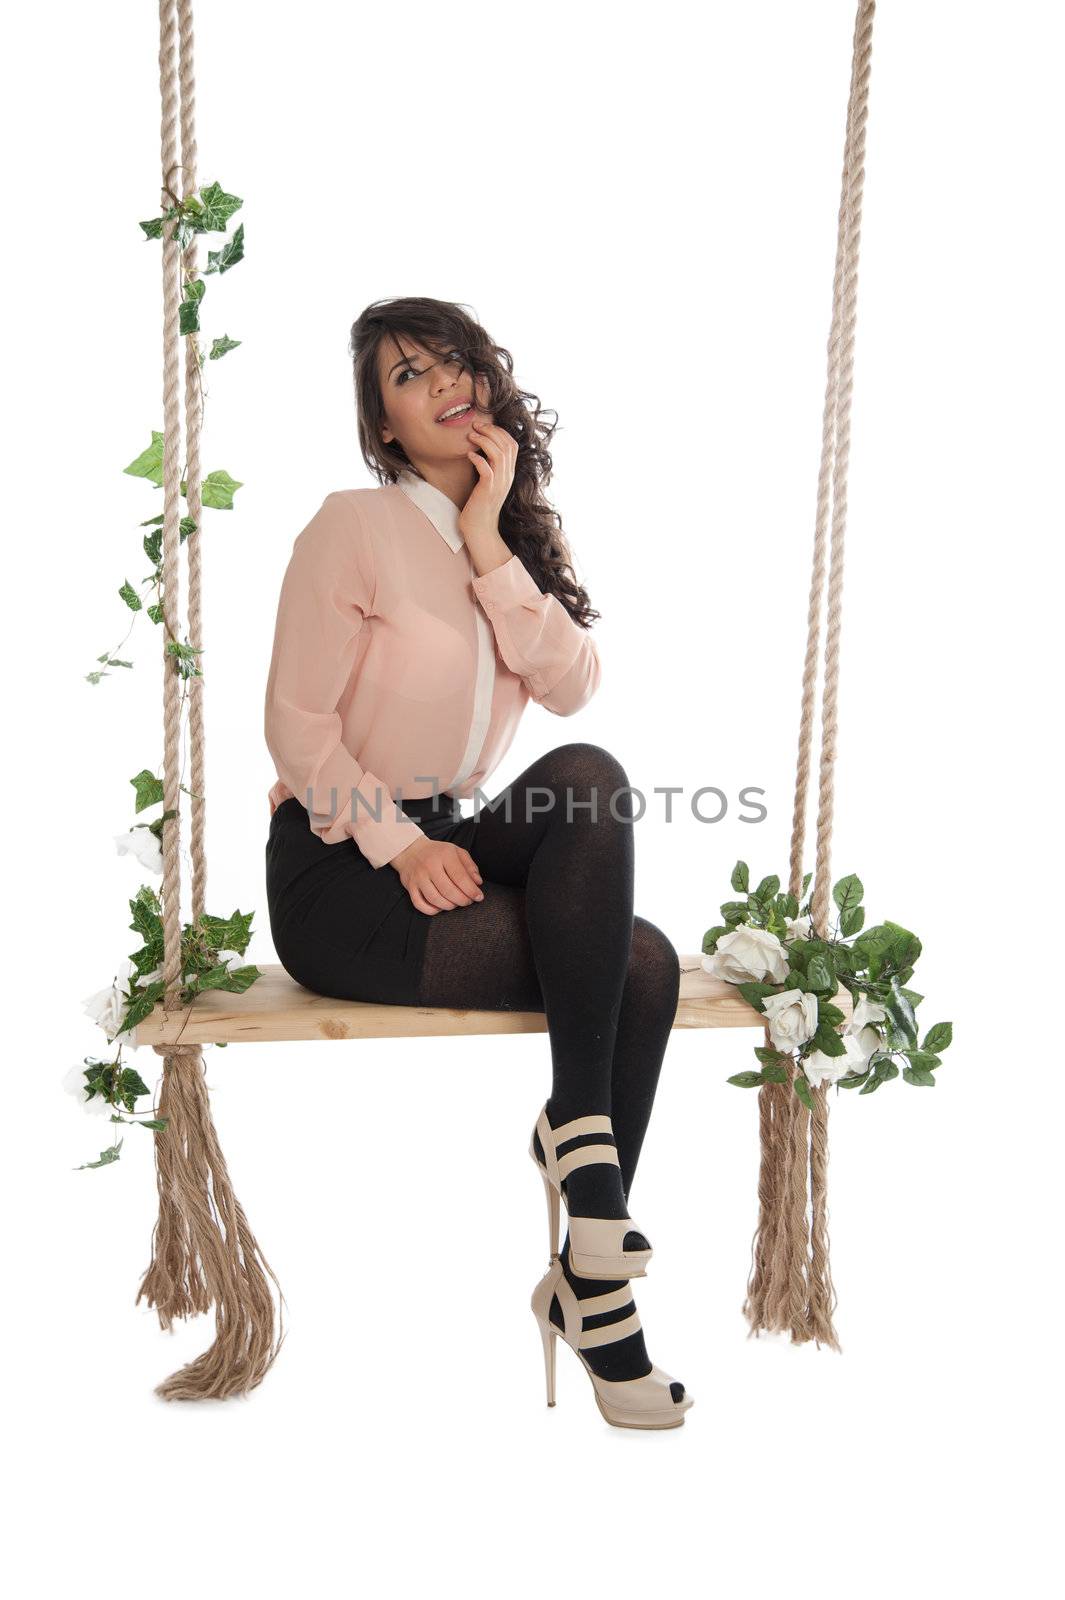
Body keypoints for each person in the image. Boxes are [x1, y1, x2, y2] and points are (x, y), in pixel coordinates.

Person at [263, 296, 693, 1429]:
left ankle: (586, 1254)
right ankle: (598, 1255)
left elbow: (571, 684)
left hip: (442, 842)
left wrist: (493, 541)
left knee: (599, 808)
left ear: (488, 381)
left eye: (453, 358)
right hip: (339, 865)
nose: (440, 380)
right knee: (635, 960)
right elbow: (296, 725)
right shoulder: (350, 526)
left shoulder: (503, 536)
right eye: (407, 375)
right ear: (386, 428)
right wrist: (395, 842)